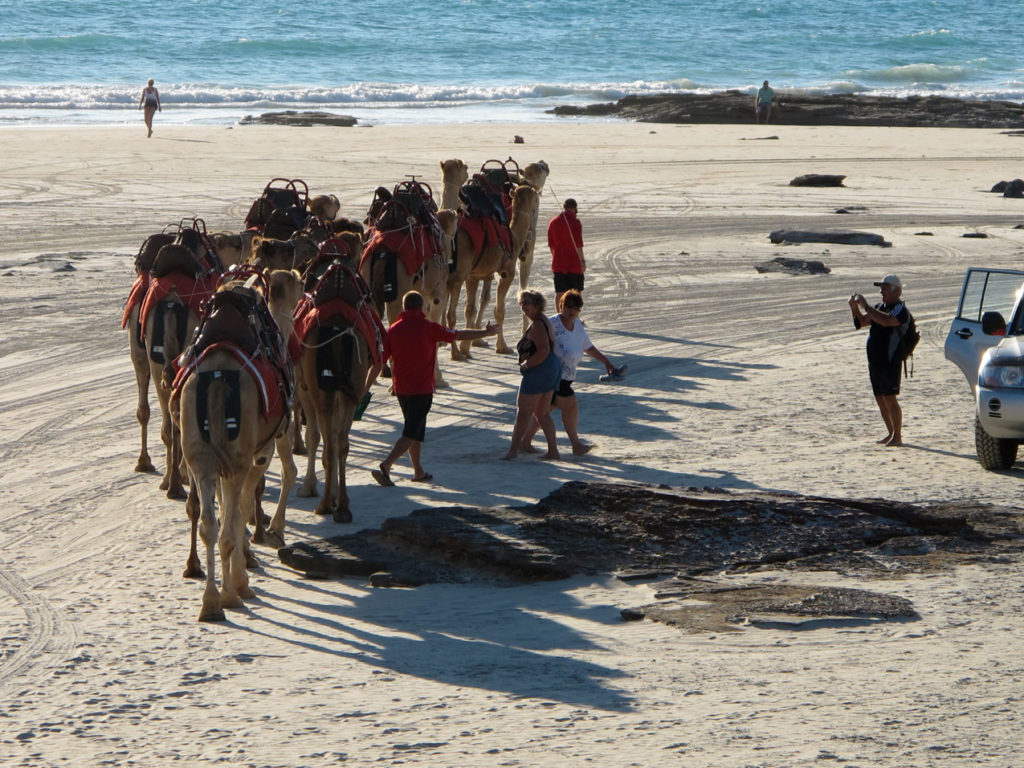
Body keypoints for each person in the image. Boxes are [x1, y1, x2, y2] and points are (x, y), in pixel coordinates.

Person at [372, 291, 499, 486]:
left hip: (401, 390)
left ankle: (418, 470)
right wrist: (484, 332)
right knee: (412, 432)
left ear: (404, 308)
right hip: (422, 389)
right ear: (422, 307)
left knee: (414, 428)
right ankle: (386, 465)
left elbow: (380, 362)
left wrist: (365, 386)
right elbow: (458, 334)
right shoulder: (429, 328)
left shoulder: (393, 330)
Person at [522, 289, 623, 456]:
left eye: (576, 308)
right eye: (568, 307)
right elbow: (530, 338)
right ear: (561, 306)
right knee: (570, 407)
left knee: (543, 411)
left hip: (565, 378)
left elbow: (588, 346)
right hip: (552, 376)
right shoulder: (551, 323)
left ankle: (524, 443)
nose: (572, 311)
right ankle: (575, 445)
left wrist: (606, 361)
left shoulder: (577, 325)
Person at [848, 274, 910, 447]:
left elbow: (887, 321)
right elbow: (861, 323)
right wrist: (854, 307)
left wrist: (866, 305)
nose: (881, 291)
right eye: (881, 288)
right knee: (880, 397)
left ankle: (897, 435)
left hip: (890, 360)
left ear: (896, 290)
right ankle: (890, 433)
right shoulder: (879, 307)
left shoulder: (899, 309)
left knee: (890, 397)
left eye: (885, 288)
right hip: (876, 360)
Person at [505, 290, 561, 460]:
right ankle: (552, 451)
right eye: (522, 303)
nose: (524, 307)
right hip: (551, 368)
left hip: (540, 370)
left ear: (537, 305)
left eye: (527, 303)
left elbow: (543, 350)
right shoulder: (542, 319)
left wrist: (527, 364)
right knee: (542, 413)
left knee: (523, 412)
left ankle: (513, 451)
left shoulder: (537, 323)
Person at [547, 198, 585, 308]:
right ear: (574, 208)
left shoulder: (553, 222)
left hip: (558, 262)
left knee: (559, 292)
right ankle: (575, 319)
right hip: (574, 263)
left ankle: (559, 316)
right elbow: (578, 245)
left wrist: (556, 258)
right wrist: (582, 261)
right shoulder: (576, 223)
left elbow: (551, 245)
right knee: (576, 292)